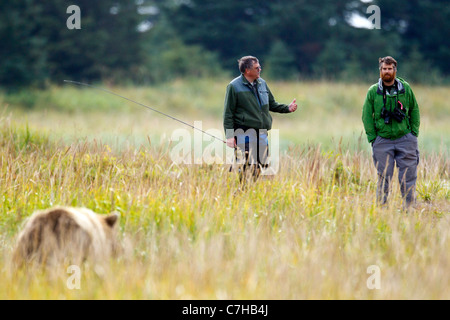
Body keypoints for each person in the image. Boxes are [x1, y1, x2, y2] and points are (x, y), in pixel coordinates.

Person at [223, 56, 298, 181]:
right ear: (247, 70)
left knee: (261, 164)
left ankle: (250, 189)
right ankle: (243, 191)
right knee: (247, 165)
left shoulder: (262, 83)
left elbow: (271, 104)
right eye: (257, 68)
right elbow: (228, 113)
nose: (260, 69)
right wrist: (230, 136)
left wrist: (287, 108)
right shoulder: (233, 86)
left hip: (262, 133)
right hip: (244, 132)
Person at [362, 56, 420, 208]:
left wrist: (414, 133)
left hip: (405, 138)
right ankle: (382, 208)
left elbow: (414, 110)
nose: (387, 72)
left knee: (408, 175)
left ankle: (409, 208)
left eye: (389, 69)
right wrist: (373, 138)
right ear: (380, 71)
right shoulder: (373, 91)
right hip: (382, 140)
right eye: (384, 69)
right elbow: (366, 116)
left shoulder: (405, 88)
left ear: (395, 70)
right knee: (383, 176)